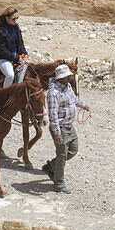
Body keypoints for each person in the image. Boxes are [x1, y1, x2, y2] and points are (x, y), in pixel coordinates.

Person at [41, 64, 90, 194]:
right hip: (61, 128)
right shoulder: (53, 93)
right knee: (62, 156)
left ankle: (51, 166)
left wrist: (83, 106)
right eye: (67, 76)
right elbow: (53, 115)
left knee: (73, 150)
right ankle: (59, 184)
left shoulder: (67, 87)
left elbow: (74, 99)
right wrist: (57, 133)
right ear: (60, 78)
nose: (69, 78)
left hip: (69, 126)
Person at [0, 6, 27, 87]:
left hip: (16, 56)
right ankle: (5, 93)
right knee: (10, 75)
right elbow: (2, 50)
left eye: (17, 18)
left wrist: (24, 53)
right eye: (13, 18)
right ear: (7, 18)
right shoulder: (1, 31)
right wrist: (16, 58)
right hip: (4, 58)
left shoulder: (16, 27)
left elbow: (20, 43)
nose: (16, 20)